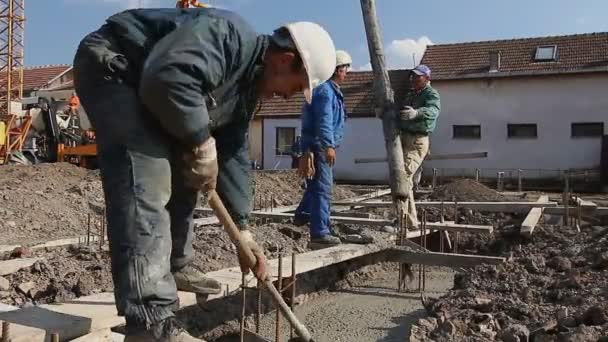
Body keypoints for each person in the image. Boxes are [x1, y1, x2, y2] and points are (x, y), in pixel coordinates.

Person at [73, 7, 336, 341]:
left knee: (189, 172)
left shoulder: (244, 92)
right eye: (295, 86)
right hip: (115, 68)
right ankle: (150, 322)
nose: (286, 96)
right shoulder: (227, 36)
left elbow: (234, 153)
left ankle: (176, 263)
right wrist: (200, 140)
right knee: (146, 173)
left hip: (150, 86)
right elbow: (167, 76)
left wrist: (244, 233)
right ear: (284, 60)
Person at [293, 50, 352, 248]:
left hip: (317, 144)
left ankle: (302, 216)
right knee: (323, 189)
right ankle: (320, 232)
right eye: (345, 69)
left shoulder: (328, 90)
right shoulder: (325, 91)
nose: (347, 73)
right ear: (337, 69)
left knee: (314, 186)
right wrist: (328, 145)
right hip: (319, 145)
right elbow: (324, 121)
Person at [398, 64, 441, 229]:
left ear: (427, 78)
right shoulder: (411, 94)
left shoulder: (431, 94)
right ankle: (408, 220)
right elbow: (401, 111)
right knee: (402, 178)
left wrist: (417, 113)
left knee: (404, 177)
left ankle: (406, 221)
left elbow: (433, 110)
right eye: (413, 76)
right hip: (405, 137)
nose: (414, 79)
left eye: (418, 77)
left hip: (417, 140)